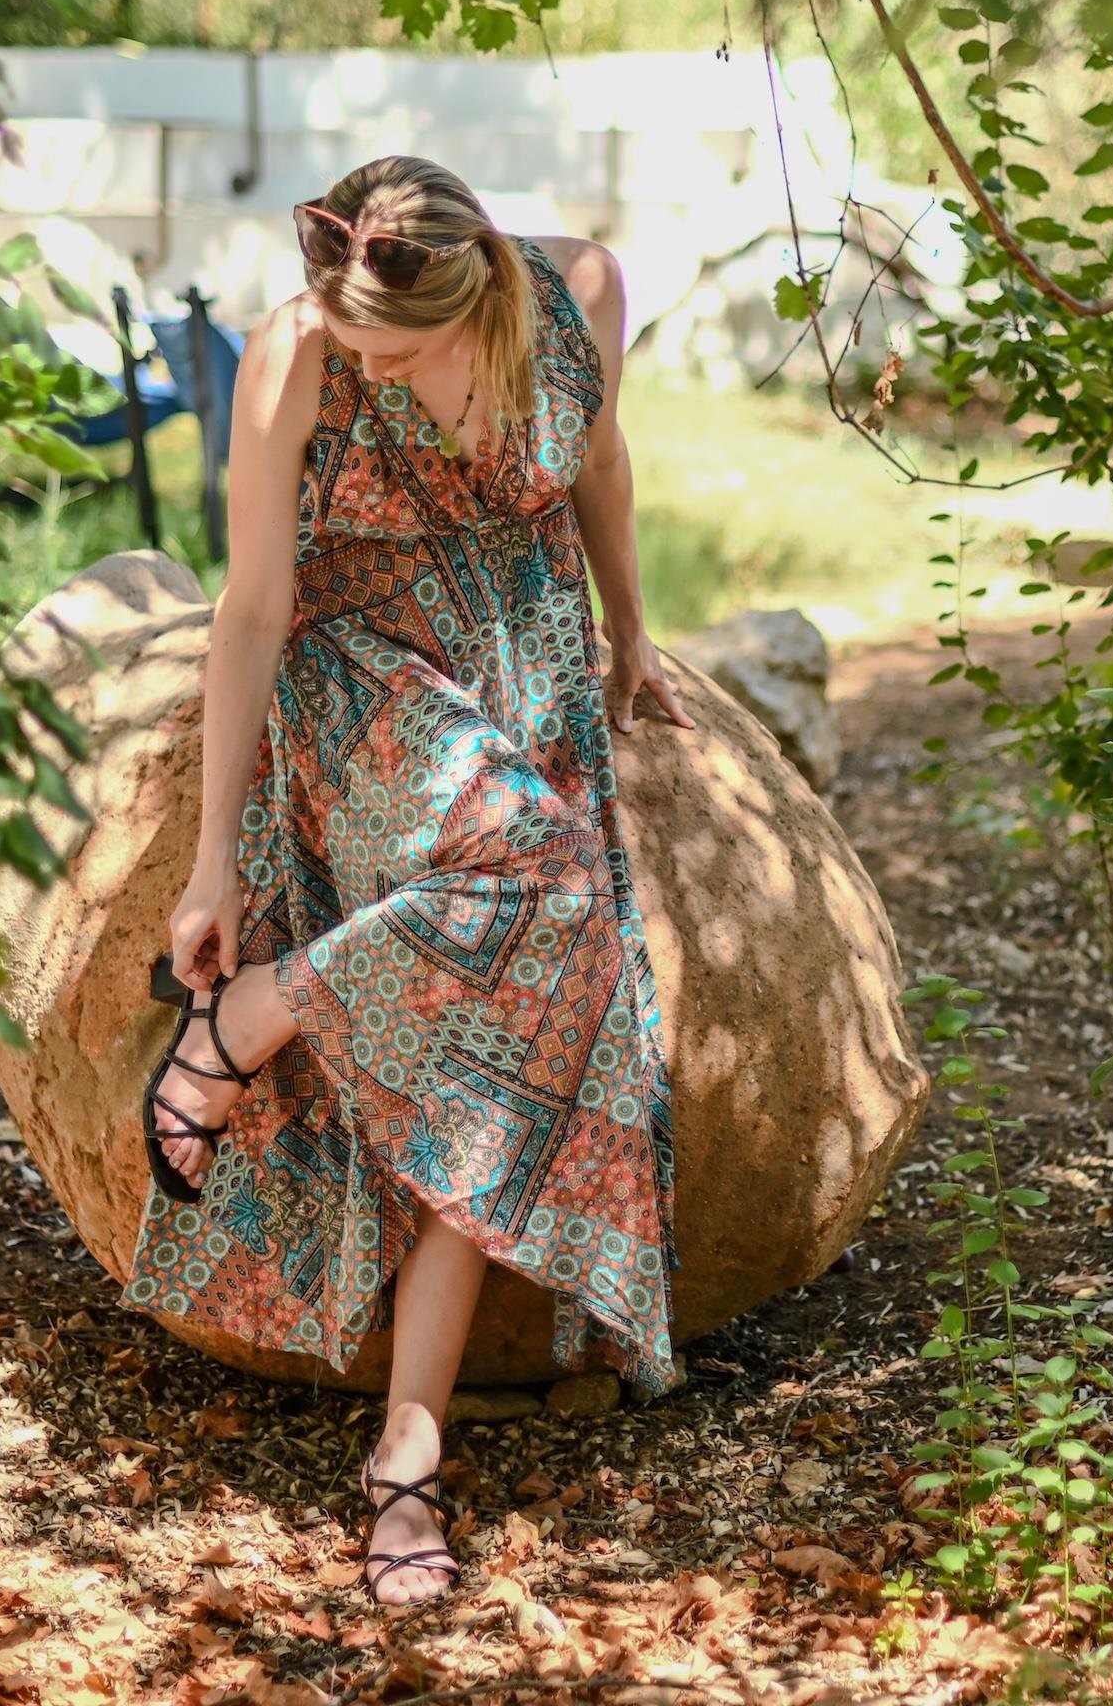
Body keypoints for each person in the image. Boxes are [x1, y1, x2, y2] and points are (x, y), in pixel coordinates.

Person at [117, 154, 696, 1606]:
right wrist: (211, 858)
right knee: (545, 872)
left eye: (392, 348)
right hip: (363, 679)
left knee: (520, 1026)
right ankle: (247, 1010)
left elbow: (599, 464)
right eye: (350, 340)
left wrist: (631, 631)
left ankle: (408, 1458)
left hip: (528, 672)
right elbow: (253, 605)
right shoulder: (292, 351)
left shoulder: (581, 291)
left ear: (475, 295)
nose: (360, 363)